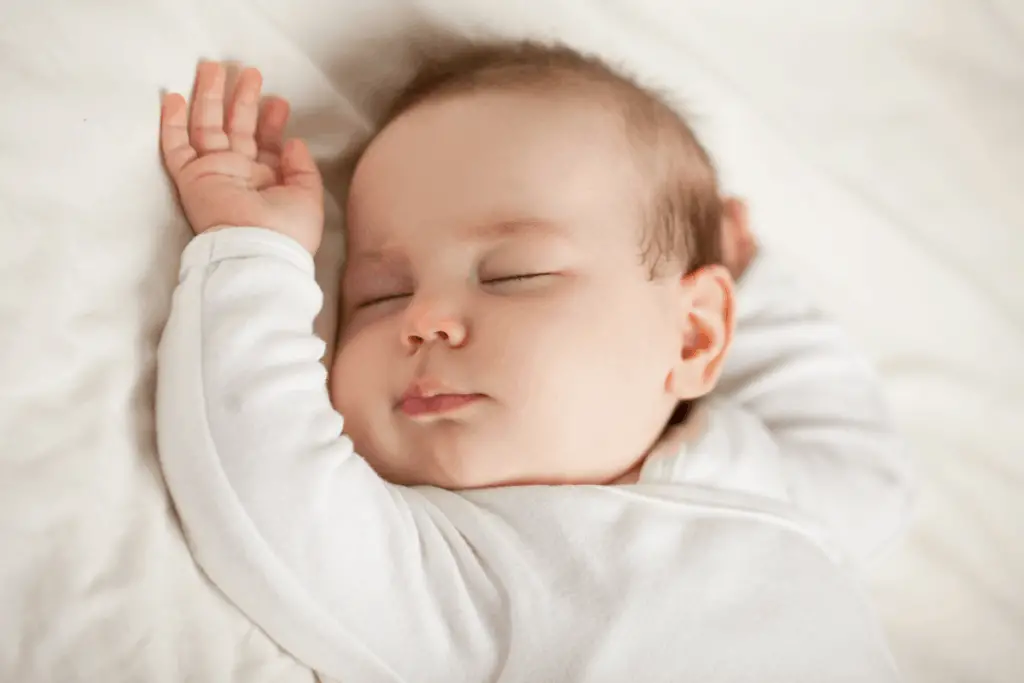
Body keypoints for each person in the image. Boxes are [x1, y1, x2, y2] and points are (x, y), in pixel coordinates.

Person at [156, 41, 913, 683]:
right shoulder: (455, 563)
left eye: (511, 274)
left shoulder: (756, 473)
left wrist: (747, 277)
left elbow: (866, 468)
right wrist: (255, 255)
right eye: (379, 296)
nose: (425, 320)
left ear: (693, 338)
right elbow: (269, 489)